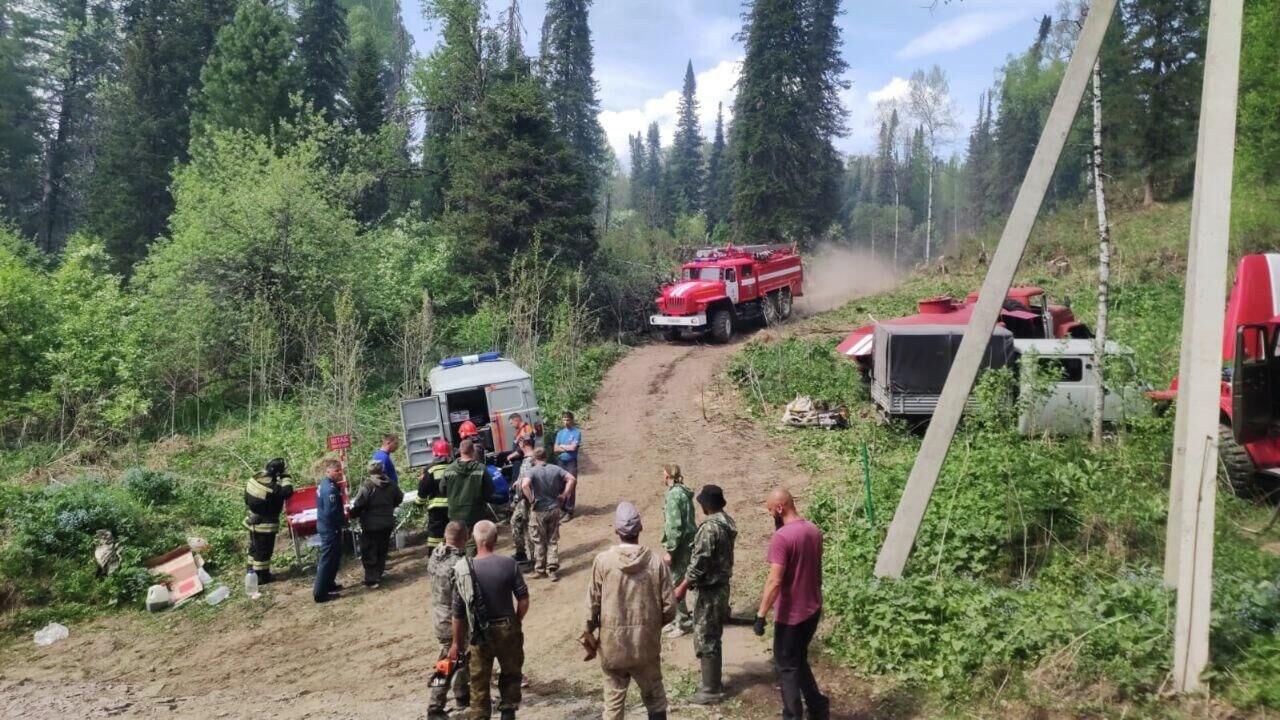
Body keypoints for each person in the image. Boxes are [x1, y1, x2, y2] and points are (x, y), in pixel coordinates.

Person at [585, 502, 677, 720]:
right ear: (640, 528)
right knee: (655, 698)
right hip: (645, 645)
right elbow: (670, 608)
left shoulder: (603, 562)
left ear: (616, 531)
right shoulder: (655, 562)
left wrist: (589, 635)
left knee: (613, 705)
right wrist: (651, 627)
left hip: (612, 646)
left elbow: (592, 605)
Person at [754, 489, 829, 720]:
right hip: (813, 608)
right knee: (798, 659)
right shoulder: (813, 530)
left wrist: (761, 615)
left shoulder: (782, 538)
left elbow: (775, 580)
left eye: (769, 510)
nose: (769, 515)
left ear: (779, 508)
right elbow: (817, 572)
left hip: (792, 616)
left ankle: (792, 715)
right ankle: (818, 707)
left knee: (786, 666)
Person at [448, 520, 529, 720]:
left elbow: (457, 613)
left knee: (478, 682)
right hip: (507, 628)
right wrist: (516, 621)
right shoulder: (509, 564)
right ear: (495, 539)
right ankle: (508, 711)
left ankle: (480, 716)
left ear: (474, 540)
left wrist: (456, 643)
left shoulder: (464, 569)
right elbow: (524, 600)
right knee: (511, 674)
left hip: (478, 634)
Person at [673, 484, 737, 705]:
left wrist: (682, 586)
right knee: (713, 634)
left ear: (706, 505)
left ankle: (711, 690)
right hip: (721, 587)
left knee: (705, 636)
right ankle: (713, 684)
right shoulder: (726, 522)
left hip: (710, 590)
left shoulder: (710, 528)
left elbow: (700, 562)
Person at [428, 522, 470, 719]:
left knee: (462, 657)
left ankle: (462, 695)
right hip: (452, 619)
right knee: (445, 663)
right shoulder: (459, 564)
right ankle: (434, 707)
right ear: (465, 538)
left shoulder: (435, 556)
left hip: (438, 615)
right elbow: (464, 597)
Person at [521, 447, 576, 582]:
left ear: (534, 458)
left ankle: (540, 569)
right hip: (554, 509)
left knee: (539, 540)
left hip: (539, 510)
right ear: (546, 456)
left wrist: (531, 499)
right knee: (552, 540)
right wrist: (564, 495)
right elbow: (572, 479)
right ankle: (552, 569)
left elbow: (524, 485)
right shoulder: (555, 469)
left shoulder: (531, 471)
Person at [350, 460, 404, 588]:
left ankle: (372, 579)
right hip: (387, 522)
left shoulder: (367, 486)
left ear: (369, 471)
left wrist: (352, 514)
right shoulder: (391, 483)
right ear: (382, 470)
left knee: (369, 551)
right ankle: (379, 574)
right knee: (382, 549)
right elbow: (399, 497)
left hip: (371, 525)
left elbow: (359, 504)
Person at [243, 457, 294, 584]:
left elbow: (246, 499)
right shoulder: (272, 488)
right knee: (264, 551)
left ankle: (251, 571)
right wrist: (285, 476)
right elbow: (287, 492)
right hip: (264, 524)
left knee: (254, 548)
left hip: (253, 519)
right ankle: (262, 577)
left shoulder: (255, 479)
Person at [659, 464, 696, 638]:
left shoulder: (674, 495)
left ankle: (683, 622)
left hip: (680, 546)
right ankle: (676, 619)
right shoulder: (683, 492)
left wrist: (670, 550)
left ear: (667, 476)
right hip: (688, 542)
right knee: (680, 580)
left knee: (675, 582)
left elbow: (675, 526)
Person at [445, 439, 494, 556]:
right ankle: (469, 567)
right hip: (475, 511)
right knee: (473, 541)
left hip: (455, 512)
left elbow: (442, 489)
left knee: (456, 540)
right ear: (473, 451)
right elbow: (490, 490)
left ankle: (457, 567)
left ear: (459, 451)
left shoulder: (449, 469)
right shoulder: (481, 469)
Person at [313, 459, 348, 603]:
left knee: (334, 557)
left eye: (340, 470)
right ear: (328, 472)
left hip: (329, 526)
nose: (340, 473)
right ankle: (320, 593)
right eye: (336, 471)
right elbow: (330, 512)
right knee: (327, 560)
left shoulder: (328, 484)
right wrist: (342, 523)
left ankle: (329, 584)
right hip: (329, 528)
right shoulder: (330, 489)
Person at [418, 438, 454, 549]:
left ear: (434, 453)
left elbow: (423, 489)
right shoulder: (455, 467)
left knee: (435, 534)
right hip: (453, 506)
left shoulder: (430, 470)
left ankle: (435, 554)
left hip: (436, 508)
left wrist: (419, 503)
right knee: (453, 530)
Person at [508, 437, 537, 568]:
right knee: (516, 523)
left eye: (519, 444)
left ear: (524, 444)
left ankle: (534, 559)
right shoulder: (531, 458)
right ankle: (521, 553)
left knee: (529, 528)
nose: (518, 446)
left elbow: (525, 484)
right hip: (525, 499)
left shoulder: (529, 460)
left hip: (527, 500)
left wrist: (515, 500)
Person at [553, 412, 582, 519]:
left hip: (571, 462)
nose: (566, 422)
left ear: (572, 420)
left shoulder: (576, 433)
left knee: (571, 484)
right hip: (561, 462)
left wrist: (561, 446)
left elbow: (573, 448)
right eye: (564, 419)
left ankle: (569, 510)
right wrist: (566, 447)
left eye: (568, 420)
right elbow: (555, 449)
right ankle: (562, 509)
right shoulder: (560, 433)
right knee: (560, 485)